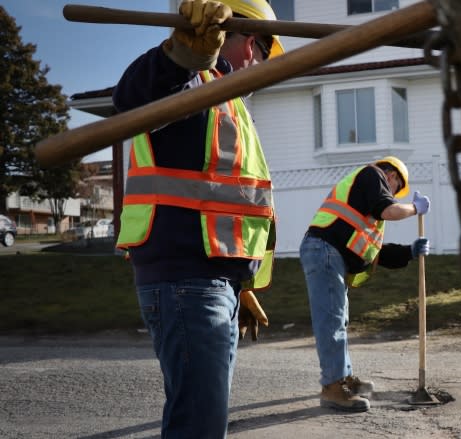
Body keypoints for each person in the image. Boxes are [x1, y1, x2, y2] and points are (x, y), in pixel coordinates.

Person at [112, 0, 284, 436]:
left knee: (202, 419)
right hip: (187, 282)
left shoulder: (228, 102)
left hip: (209, 280)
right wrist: (188, 54)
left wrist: (237, 282)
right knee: (199, 425)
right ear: (246, 42)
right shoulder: (193, 80)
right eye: (263, 52)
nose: (260, 67)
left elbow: (230, 203)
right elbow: (132, 98)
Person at [299, 156, 432, 412]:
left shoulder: (365, 207)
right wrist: (414, 208)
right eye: (394, 190)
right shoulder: (373, 175)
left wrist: (410, 252)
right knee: (332, 321)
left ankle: (343, 378)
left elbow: (376, 253)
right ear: (391, 176)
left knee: (339, 320)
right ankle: (333, 387)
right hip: (325, 250)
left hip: (330, 253)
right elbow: (391, 210)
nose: (391, 194)